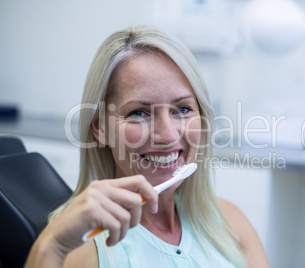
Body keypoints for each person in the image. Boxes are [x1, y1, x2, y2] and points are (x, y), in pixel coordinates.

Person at [24, 26, 271, 268]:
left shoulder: (230, 222)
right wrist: (50, 246)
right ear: (100, 128)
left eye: (183, 109)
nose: (168, 135)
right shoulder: (81, 248)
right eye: (139, 113)